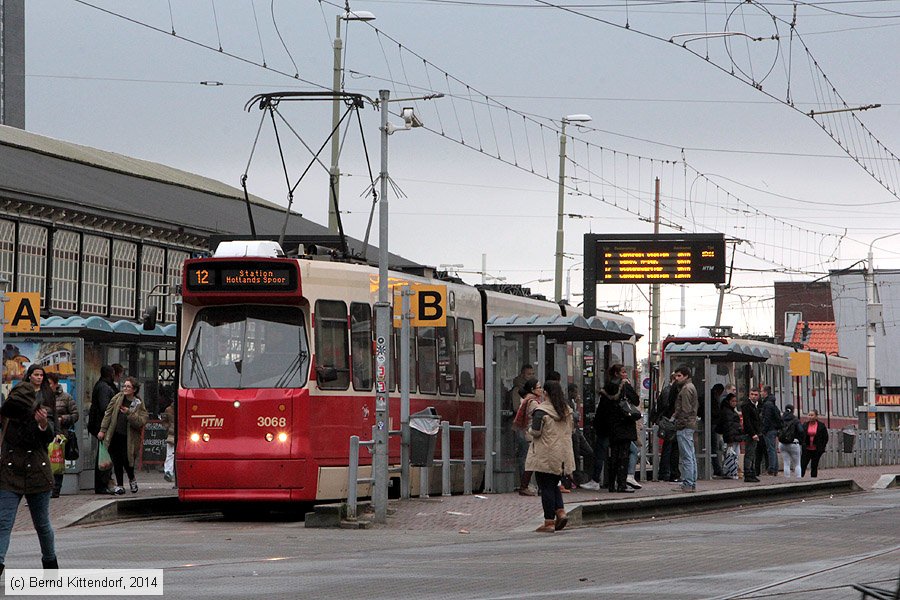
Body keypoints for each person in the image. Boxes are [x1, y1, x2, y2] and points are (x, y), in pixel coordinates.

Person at [0, 364, 59, 574]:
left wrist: (42, 424)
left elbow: (48, 436)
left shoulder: (43, 409)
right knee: (3, 522)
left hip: (37, 472)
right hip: (10, 472)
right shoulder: (7, 416)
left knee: (42, 525)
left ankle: (50, 564)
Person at [524, 380, 575, 533]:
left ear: (545, 393)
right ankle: (560, 512)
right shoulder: (567, 411)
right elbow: (571, 431)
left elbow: (536, 431)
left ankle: (549, 522)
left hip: (545, 453)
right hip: (562, 454)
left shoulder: (541, 411)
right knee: (554, 484)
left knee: (545, 486)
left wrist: (529, 431)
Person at [97, 377, 148, 495]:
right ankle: (120, 485)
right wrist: (102, 430)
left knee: (127, 460)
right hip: (115, 434)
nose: (125, 388)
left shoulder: (138, 403)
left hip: (129, 437)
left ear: (134, 389)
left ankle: (132, 478)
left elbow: (141, 421)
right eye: (124, 386)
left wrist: (129, 413)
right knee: (117, 460)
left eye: (128, 386)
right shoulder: (117, 398)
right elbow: (108, 414)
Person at [600, 364, 640, 493]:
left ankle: (611, 484)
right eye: (623, 372)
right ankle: (622, 484)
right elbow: (636, 400)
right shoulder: (624, 386)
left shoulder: (606, 387)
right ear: (617, 374)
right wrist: (628, 385)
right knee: (624, 455)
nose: (625, 374)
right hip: (624, 425)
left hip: (612, 427)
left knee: (613, 455)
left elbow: (603, 408)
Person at [46, 372, 79, 498]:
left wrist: (62, 419)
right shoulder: (40, 397)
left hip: (60, 435)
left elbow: (75, 415)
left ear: (55, 384)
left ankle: (55, 490)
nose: (47, 386)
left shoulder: (66, 397)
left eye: (49, 384)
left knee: (57, 461)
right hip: (44, 433)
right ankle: (45, 489)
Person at [88, 365, 118, 494]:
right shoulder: (104, 387)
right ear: (110, 373)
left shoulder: (101, 385)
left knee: (104, 453)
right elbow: (104, 407)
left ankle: (104, 482)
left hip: (98, 424)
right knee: (104, 455)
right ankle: (102, 484)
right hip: (102, 426)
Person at [672, 366, 698, 493]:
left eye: (679, 376)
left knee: (686, 455)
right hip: (690, 424)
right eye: (676, 376)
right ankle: (691, 482)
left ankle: (687, 483)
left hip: (685, 425)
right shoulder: (690, 387)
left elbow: (685, 410)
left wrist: (678, 422)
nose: (676, 378)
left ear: (686, 376)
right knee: (690, 455)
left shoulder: (686, 389)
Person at [515, 379, 543, 496]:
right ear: (533, 389)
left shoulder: (529, 400)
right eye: (539, 387)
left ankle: (527, 486)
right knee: (535, 462)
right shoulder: (533, 402)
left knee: (534, 462)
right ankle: (525, 486)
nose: (541, 390)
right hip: (533, 435)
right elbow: (538, 417)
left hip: (530, 434)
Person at [652, 373, 679, 482]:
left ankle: (668, 472)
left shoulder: (668, 390)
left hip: (668, 421)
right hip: (669, 422)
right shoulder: (669, 391)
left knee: (670, 448)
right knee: (669, 448)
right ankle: (666, 473)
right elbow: (667, 406)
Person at [718, 393, 743, 480]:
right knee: (732, 454)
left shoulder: (730, 411)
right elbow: (729, 426)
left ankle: (731, 471)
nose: (734, 403)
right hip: (732, 437)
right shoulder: (728, 412)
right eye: (733, 401)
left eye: (736, 401)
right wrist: (730, 439)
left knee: (732, 455)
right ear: (728, 401)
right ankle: (730, 471)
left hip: (734, 436)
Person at [741, 389, 763, 482]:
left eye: (756, 394)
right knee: (749, 454)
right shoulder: (747, 405)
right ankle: (748, 474)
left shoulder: (756, 405)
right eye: (752, 394)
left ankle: (752, 473)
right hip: (751, 433)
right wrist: (753, 433)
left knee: (753, 453)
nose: (754, 396)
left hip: (755, 433)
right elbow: (747, 421)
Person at [759, 385, 781, 476]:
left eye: (761, 391)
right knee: (773, 449)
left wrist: (763, 430)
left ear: (765, 392)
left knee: (770, 449)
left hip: (769, 430)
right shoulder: (772, 403)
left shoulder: (767, 404)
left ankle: (771, 468)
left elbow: (767, 418)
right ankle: (774, 468)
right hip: (773, 429)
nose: (761, 393)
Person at [800, 409, 828, 478]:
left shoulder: (821, 426)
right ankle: (800, 478)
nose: (810, 417)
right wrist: (802, 443)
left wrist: (822, 447)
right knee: (803, 464)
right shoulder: (805, 425)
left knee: (814, 465)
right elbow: (802, 435)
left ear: (816, 416)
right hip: (807, 448)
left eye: (812, 415)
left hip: (816, 449)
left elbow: (825, 437)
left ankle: (813, 479)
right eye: (809, 415)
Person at [779, 404, 803, 478]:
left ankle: (787, 478)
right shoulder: (795, 420)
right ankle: (798, 478)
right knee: (797, 463)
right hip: (794, 443)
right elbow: (801, 431)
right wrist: (801, 440)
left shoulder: (781, 419)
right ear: (793, 410)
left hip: (782, 444)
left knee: (786, 463)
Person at [160, 399, 176, 483]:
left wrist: (168, 427)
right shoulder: (169, 409)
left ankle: (168, 472)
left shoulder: (169, 409)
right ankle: (168, 472)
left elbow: (164, 421)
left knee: (170, 454)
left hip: (172, 433)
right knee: (170, 454)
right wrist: (168, 427)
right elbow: (164, 421)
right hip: (173, 433)